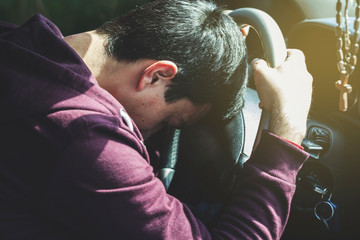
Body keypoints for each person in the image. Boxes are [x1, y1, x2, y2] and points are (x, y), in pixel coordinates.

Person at [0, 0, 312, 239]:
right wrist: (288, 131)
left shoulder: (14, 41)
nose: (154, 134)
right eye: (170, 122)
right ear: (157, 75)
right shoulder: (87, 141)